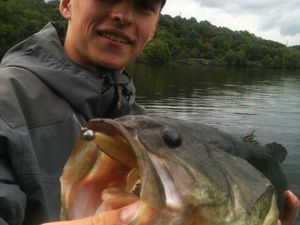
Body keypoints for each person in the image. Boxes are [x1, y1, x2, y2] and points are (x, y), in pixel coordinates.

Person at [0, 0, 298, 225]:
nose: (123, 16)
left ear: (153, 28)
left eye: (143, 6)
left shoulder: (136, 119)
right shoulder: (6, 99)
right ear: (66, 3)